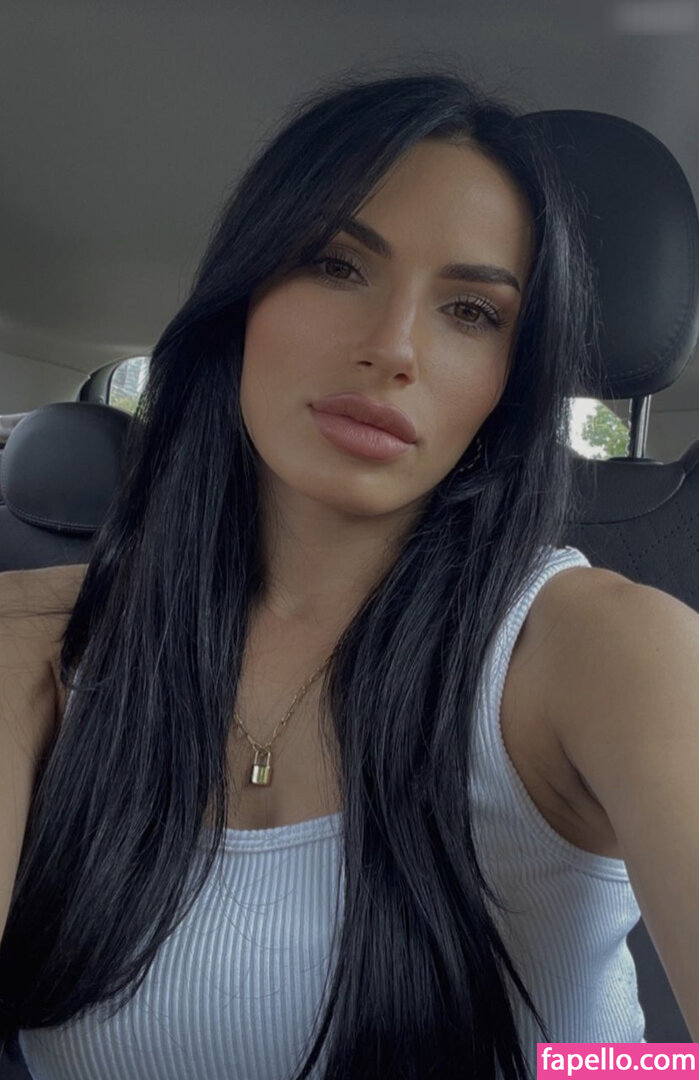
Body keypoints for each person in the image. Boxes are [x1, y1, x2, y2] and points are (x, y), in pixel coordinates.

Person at [0, 70, 697, 1080]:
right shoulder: (40, 643)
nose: (393, 348)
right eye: (336, 264)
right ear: (243, 298)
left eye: (471, 310)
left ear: (510, 381)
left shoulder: (607, 650)